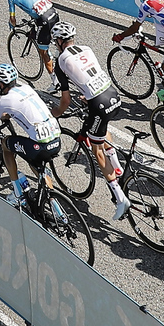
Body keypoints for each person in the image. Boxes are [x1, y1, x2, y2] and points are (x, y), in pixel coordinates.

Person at [49, 23, 133, 220]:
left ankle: (120, 199)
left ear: (59, 41)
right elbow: (90, 75)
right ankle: (118, 167)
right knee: (102, 130)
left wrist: (55, 114)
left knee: (97, 150)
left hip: (99, 104)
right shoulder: (86, 48)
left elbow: (65, 101)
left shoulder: (61, 60)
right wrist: (88, 96)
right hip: (113, 96)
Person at [0, 63, 63, 201]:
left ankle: (17, 193)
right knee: (34, 163)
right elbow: (24, 108)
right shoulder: (26, 88)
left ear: (1, 84)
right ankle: (53, 201)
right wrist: (8, 115)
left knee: (6, 144)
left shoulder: (4, 100)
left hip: (40, 147)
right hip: (57, 141)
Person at [4, 0, 59, 78]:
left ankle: (55, 81)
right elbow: (36, 2)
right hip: (53, 12)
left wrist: (13, 26)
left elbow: (12, 18)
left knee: (43, 52)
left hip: (44, 20)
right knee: (56, 40)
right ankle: (60, 53)